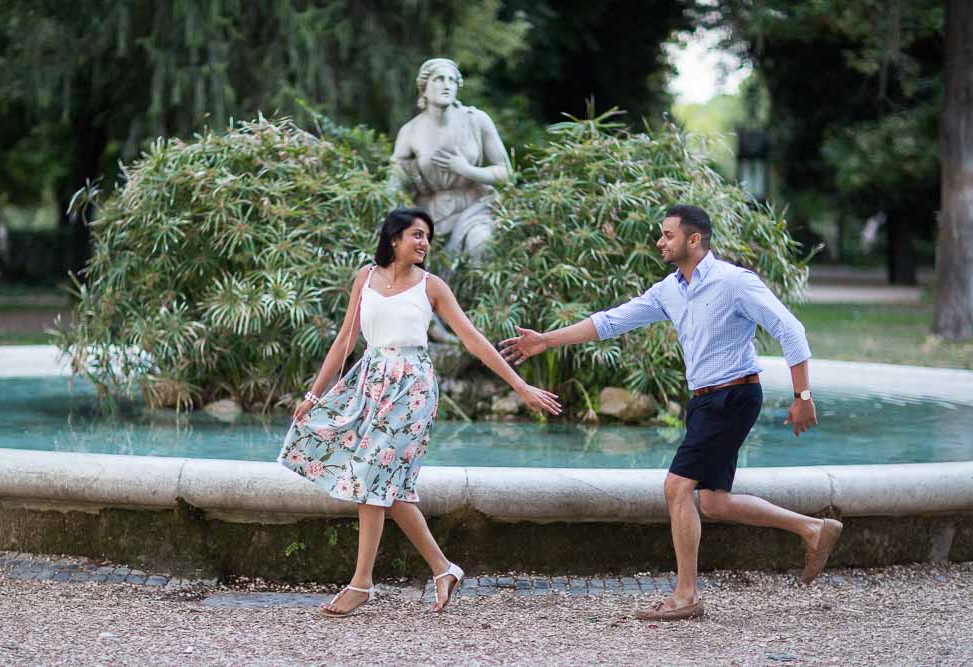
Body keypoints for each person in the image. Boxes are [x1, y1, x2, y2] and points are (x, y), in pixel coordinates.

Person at [499, 204, 842, 622]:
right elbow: (611, 322)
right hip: (704, 401)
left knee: (676, 487)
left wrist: (802, 394)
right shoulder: (671, 289)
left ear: (693, 240)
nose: (660, 242)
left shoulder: (735, 283)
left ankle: (686, 595)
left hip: (733, 396)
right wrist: (546, 341)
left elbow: (790, 329)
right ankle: (812, 529)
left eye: (667, 235)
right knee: (714, 503)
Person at [277, 207, 561, 617]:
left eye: (427, 236)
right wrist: (315, 393)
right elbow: (344, 341)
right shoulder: (365, 277)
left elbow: (474, 341)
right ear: (393, 239)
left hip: (412, 388)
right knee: (384, 487)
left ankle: (361, 584)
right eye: (416, 234)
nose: (424, 243)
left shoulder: (432, 286)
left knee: (372, 475)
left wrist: (520, 386)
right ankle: (443, 569)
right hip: (370, 381)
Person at [390, 58, 512, 263]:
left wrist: (467, 170)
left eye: (452, 80)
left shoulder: (477, 120)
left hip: (475, 207)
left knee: (481, 244)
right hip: (430, 215)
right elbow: (394, 183)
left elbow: (507, 173)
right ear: (424, 89)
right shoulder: (410, 132)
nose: (446, 85)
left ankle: (478, 293)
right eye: (439, 79)